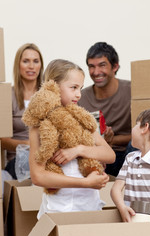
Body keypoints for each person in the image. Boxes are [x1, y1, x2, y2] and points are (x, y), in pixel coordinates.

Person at [26, 59, 115, 219]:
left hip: (89, 206)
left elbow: (110, 155)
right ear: (54, 86)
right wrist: (86, 183)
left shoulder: (83, 118)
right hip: (59, 209)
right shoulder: (39, 126)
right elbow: (38, 176)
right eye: (73, 88)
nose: (79, 94)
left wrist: (78, 150)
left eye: (80, 88)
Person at [78, 42, 135, 177]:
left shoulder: (132, 91)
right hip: (96, 157)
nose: (96, 72)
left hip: (126, 156)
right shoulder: (81, 97)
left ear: (115, 66)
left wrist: (111, 140)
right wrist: (101, 143)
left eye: (102, 65)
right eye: (91, 67)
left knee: (138, 144)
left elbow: (145, 133)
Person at [0, 43, 44, 179]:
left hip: (47, 155)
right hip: (19, 159)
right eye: (26, 61)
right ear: (18, 65)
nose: (31, 66)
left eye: (35, 61)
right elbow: (1, 140)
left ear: (41, 66)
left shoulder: (48, 95)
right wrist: (27, 145)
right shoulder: (7, 95)